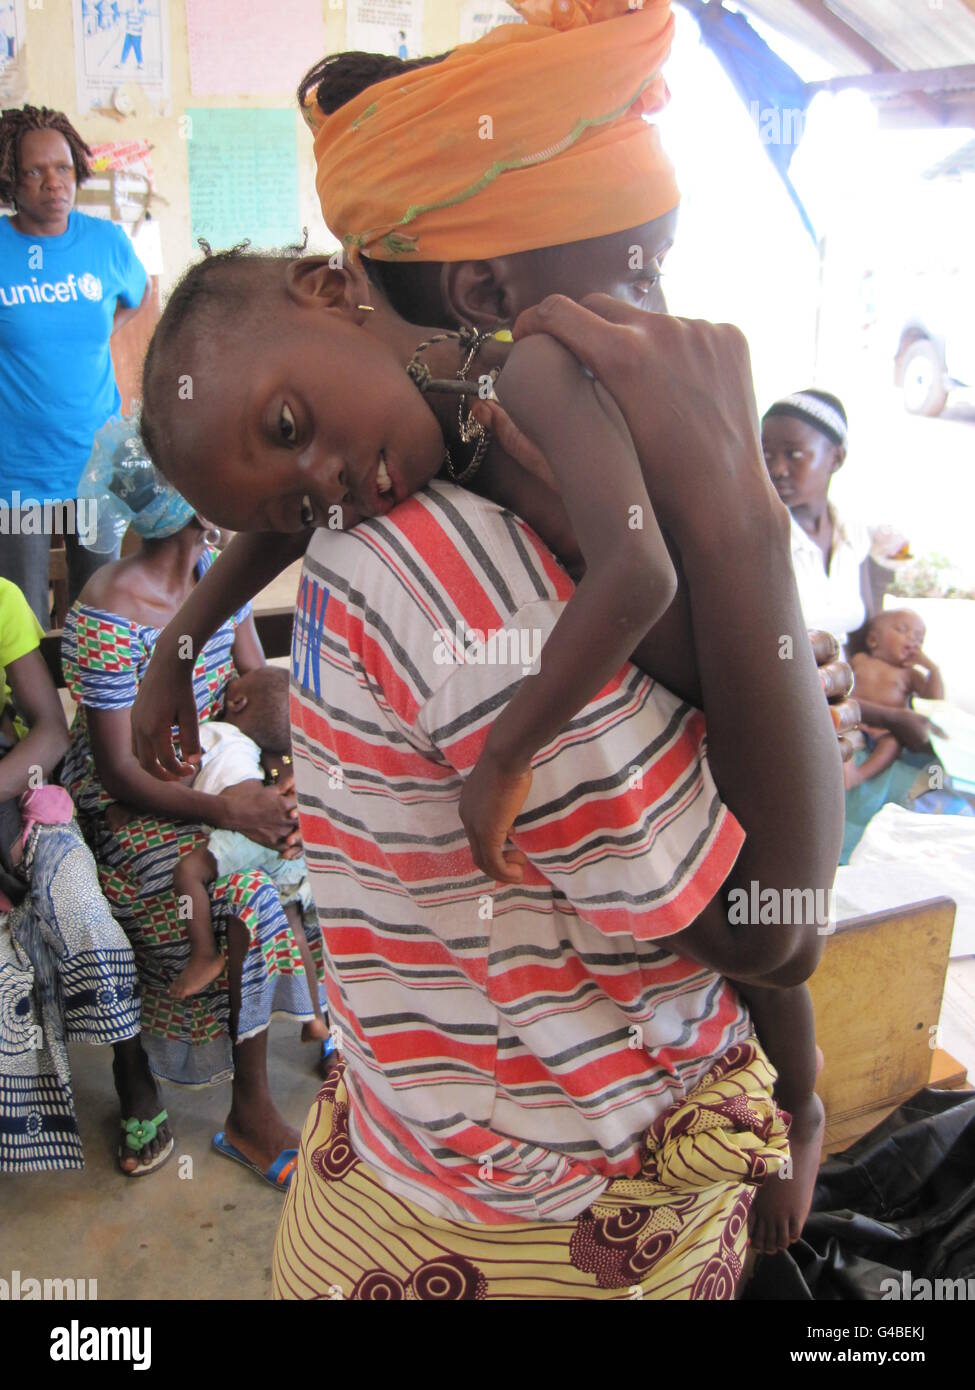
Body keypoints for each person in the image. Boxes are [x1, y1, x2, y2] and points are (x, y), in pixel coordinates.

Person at [133, 0, 854, 1276]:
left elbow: (632, 570)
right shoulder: (446, 466)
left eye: (663, 260)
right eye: (639, 264)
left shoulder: (494, 401)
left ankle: (795, 1109)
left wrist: (511, 747)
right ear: (482, 288)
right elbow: (773, 925)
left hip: (678, 779)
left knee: (776, 1007)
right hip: (571, 1103)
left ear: (338, 292)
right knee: (769, 978)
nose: (658, 302)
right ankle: (792, 1107)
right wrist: (181, 632)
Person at [60, 451, 326, 1190]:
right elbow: (120, 772)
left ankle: (326, 1026)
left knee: (311, 840)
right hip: (137, 809)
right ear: (187, 504)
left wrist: (279, 776)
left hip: (217, 765)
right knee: (249, 891)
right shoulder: (106, 614)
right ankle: (250, 1112)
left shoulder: (216, 577)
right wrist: (226, 806)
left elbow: (255, 687)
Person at [0, 577, 172, 1176]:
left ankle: (133, 1070)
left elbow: (49, 729)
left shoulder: (1, 600)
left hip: (20, 799)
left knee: (83, 914)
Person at [0, 105, 150, 625]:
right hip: (17, 472)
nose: (53, 184)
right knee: (21, 616)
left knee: (96, 609)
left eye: (62, 168)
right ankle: (26, 709)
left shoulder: (104, 243)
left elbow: (139, 293)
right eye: (34, 172)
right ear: (9, 179)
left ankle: (96, 709)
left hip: (93, 464)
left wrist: (98, 334)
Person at [171, 667, 326, 1054]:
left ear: (236, 700)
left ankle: (204, 953)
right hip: (284, 844)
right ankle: (314, 1017)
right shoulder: (269, 756)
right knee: (291, 920)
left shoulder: (214, 733)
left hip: (242, 833)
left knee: (188, 872)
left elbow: (175, 783)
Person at [845, 610, 944, 794]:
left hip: (883, 730)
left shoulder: (910, 675)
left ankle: (860, 775)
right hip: (853, 721)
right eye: (902, 630)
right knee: (836, 732)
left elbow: (935, 702)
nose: (913, 640)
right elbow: (842, 680)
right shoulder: (860, 660)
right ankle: (845, 767)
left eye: (919, 638)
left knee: (892, 744)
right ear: (873, 641)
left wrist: (933, 669)